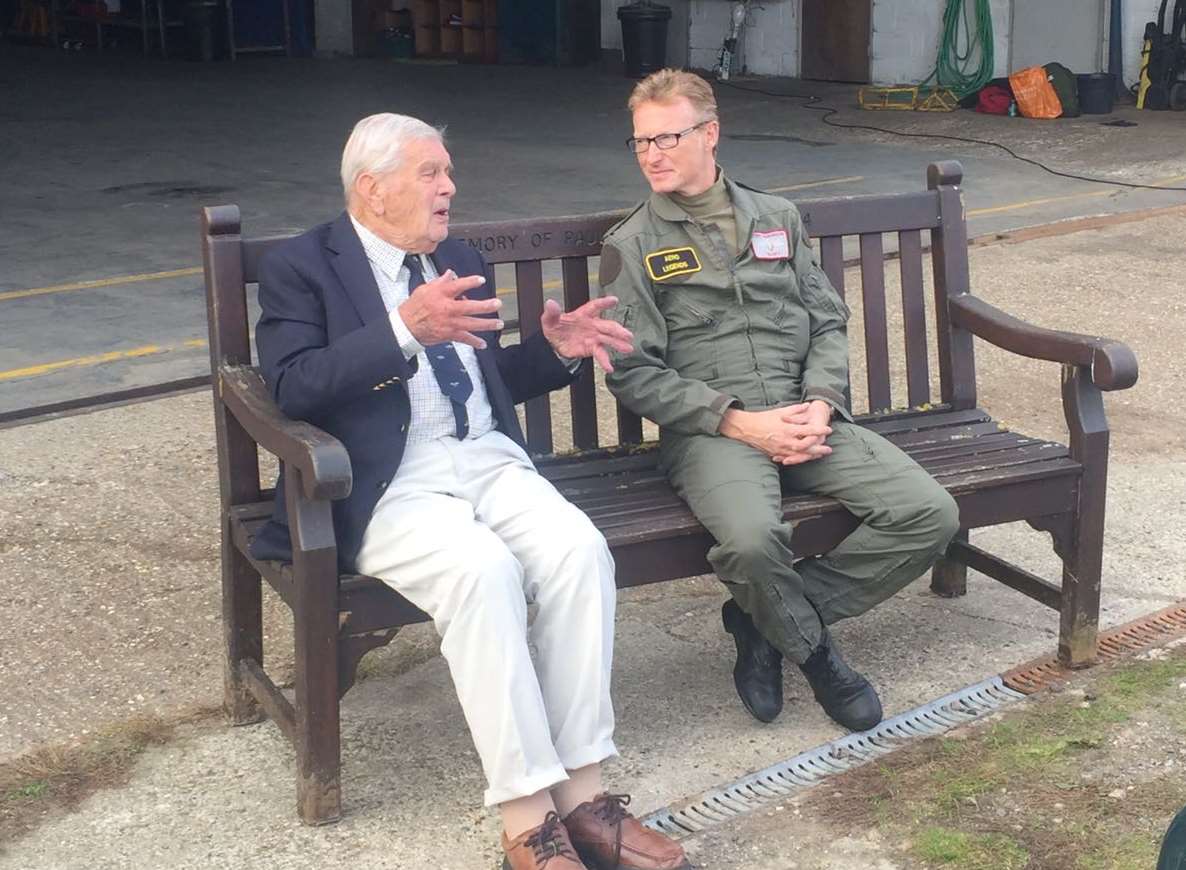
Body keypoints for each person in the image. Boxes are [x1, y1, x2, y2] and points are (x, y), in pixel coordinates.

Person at [252, 113, 690, 870]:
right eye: (431, 173)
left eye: (448, 172)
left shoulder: (452, 254)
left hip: (485, 459)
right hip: (388, 479)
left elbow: (486, 387)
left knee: (580, 553)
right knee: (482, 573)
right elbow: (291, 388)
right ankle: (528, 821)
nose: (450, 186)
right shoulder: (305, 266)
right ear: (372, 188)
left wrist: (551, 352)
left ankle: (585, 798)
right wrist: (402, 329)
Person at [600, 70, 961, 731]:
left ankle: (759, 621)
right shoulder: (634, 244)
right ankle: (823, 661)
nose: (652, 153)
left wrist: (822, 402)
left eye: (667, 137)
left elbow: (827, 321)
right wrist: (737, 421)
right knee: (752, 540)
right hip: (714, 434)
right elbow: (631, 372)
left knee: (929, 515)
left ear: (710, 134)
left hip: (805, 415)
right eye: (640, 142)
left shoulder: (778, 219)